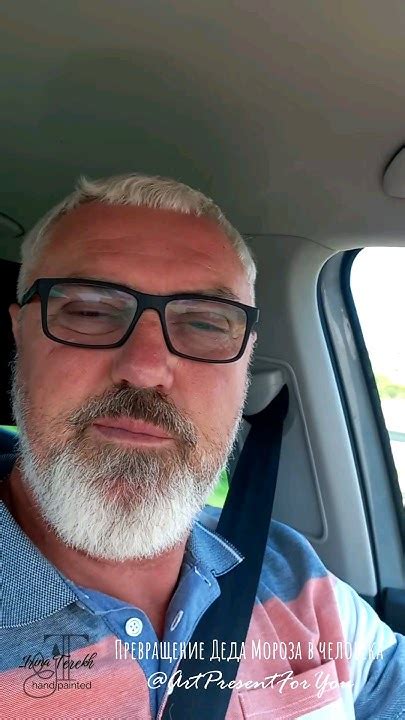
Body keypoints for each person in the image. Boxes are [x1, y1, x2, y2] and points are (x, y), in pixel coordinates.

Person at [0, 173, 403, 719]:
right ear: (20, 331)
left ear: (246, 358)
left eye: (205, 324)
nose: (146, 368)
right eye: (90, 311)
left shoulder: (289, 573)